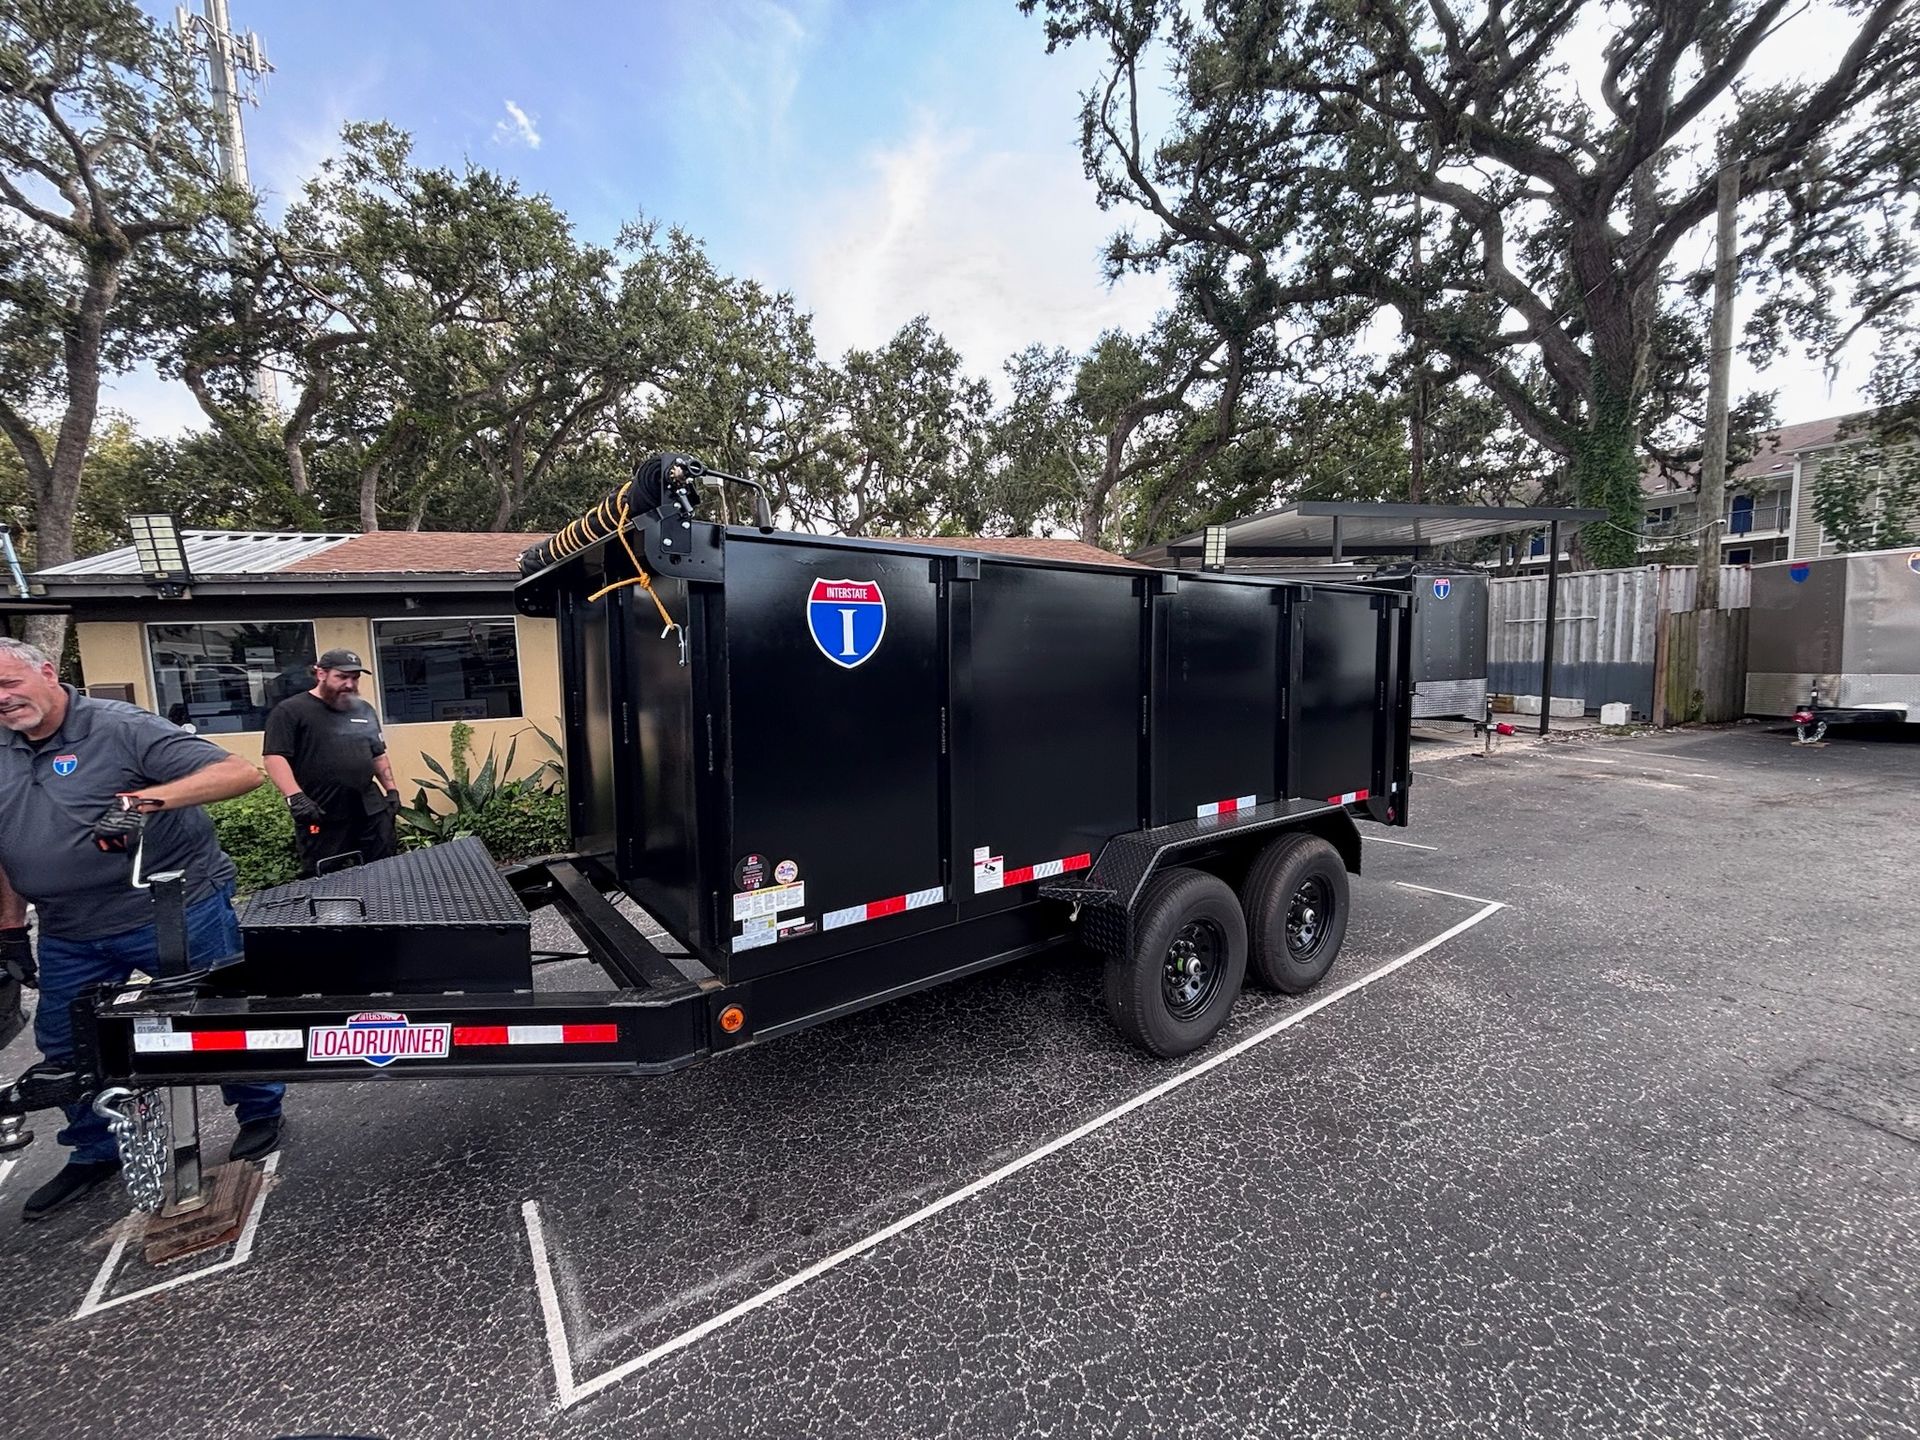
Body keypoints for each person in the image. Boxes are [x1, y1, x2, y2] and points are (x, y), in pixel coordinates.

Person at [0, 636, 285, 1221]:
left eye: (8, 683)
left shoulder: (120, 726)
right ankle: (94, 1150)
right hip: (67, 927)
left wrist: (142, 802)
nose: (1, 699)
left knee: (221, 1020)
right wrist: (8, 930)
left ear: (48, 673)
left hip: (172, 908)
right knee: (66, 1045)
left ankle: (259, 1111)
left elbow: (238, 773)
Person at [262, 648, 402, 878]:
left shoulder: (363, 709)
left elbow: (378, 754)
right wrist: (295, 797)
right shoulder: (290, 711)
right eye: (342, 677)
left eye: (355, 678)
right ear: (321, 674)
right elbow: (274, 757)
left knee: (384, 871)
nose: (349, 684)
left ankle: (384, 911)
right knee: (324, 878)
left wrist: (392, 790)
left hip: (370, 809)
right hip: (321, 812)